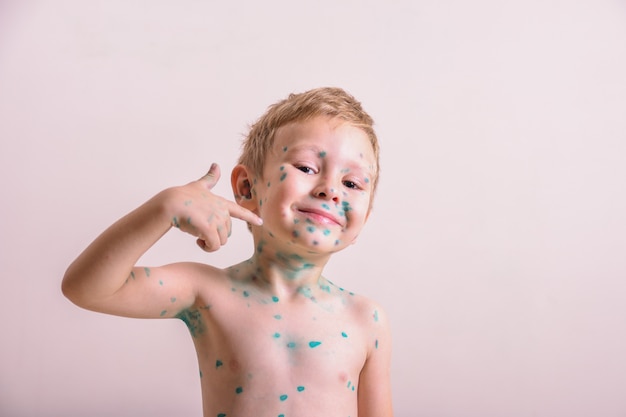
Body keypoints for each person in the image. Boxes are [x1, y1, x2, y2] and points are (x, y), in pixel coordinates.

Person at [62, 87, 393, 417]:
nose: (330, 190)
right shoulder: (206, 292)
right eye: (306, 168)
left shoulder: (366, 320)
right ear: (247, 188)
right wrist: (163, 209)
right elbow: (87, 289)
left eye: (352, 184)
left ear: (362, 220)